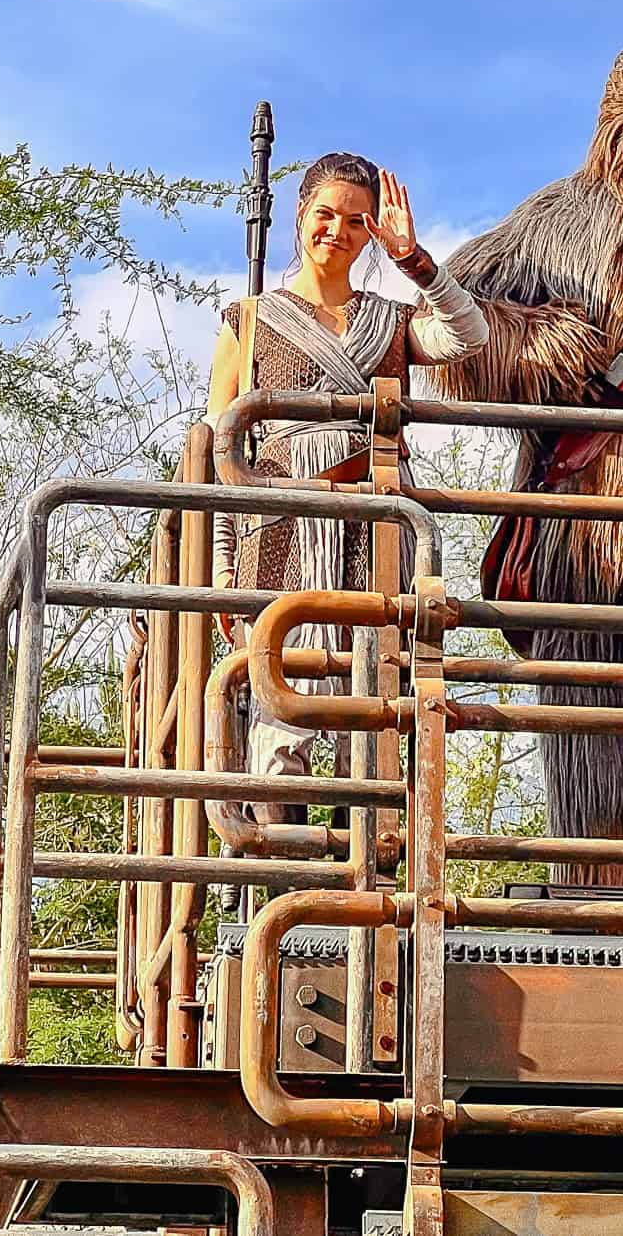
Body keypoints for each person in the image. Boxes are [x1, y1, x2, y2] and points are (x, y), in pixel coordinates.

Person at [206, 152, 488, 796]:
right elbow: (223, 454)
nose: (338, 230)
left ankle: (371, 873)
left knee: (375, 709)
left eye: (357, 221)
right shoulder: (247, 321)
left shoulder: (392, 318)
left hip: (376, 523)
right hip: (280, 528)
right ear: (301, 216)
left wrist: (413, 258)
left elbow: (467, 335)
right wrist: (223, 566)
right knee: (286, 707)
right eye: (326, 214)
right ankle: (280, 879)